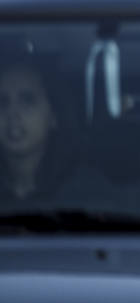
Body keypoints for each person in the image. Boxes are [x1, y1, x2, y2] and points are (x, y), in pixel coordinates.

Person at [0, 57, 97, 203]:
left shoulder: (85, 191)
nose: (13, 113)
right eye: (2, 102)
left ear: (53, 116)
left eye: (27, 100)